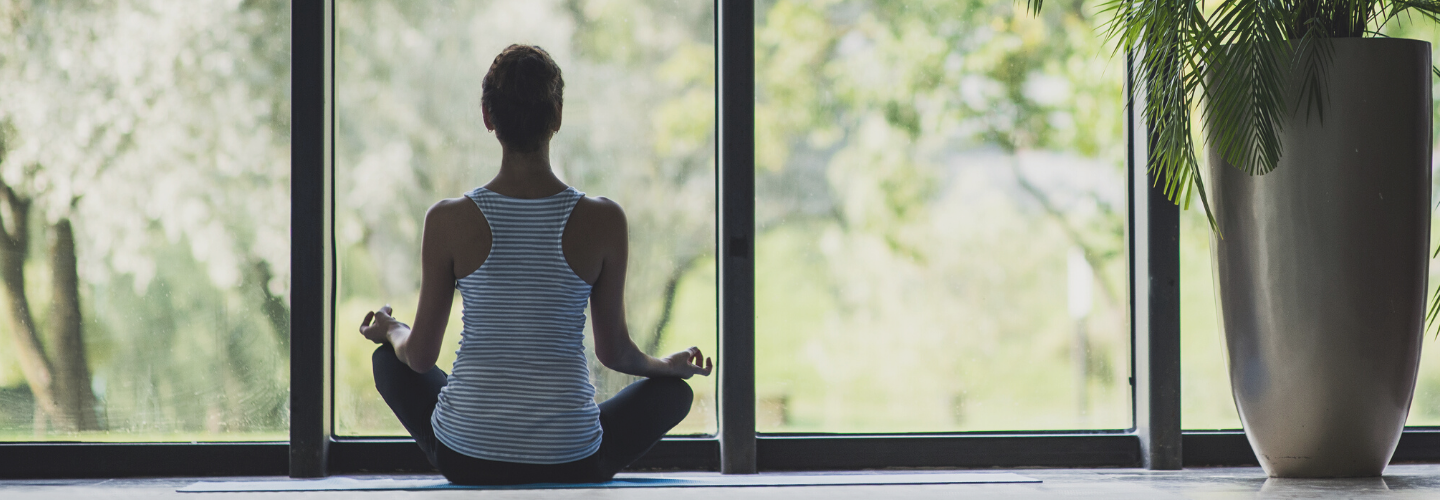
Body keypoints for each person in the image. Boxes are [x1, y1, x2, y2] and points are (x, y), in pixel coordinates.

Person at [358, 43, 714, 486]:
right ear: (558, 116)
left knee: (387, 361)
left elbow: (420, 357)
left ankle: (487, 429)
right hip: (575, 461)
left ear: (488, 118)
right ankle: (560, 435)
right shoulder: (604, 219)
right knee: (673, 394)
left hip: (465, 457)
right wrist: (667, 365)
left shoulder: (447, 219)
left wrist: (391, 328)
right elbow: (614, 353)